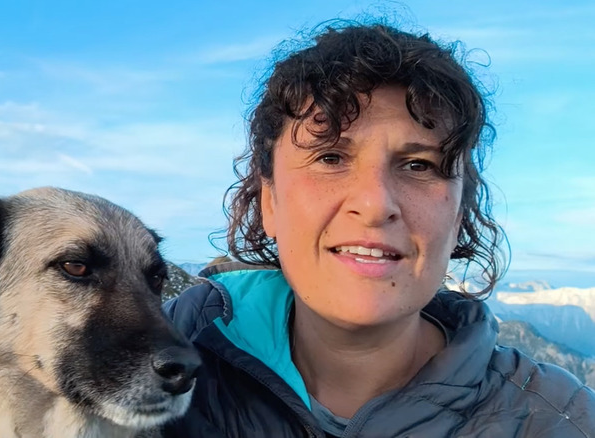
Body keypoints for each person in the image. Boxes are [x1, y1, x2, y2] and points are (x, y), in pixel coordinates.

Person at [161, 21, 595, 437]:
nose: (374, 204)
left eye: (418, 165)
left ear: (460, 212)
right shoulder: (163, 346)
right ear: (268, 201)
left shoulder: (560, 421)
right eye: (330, 158)